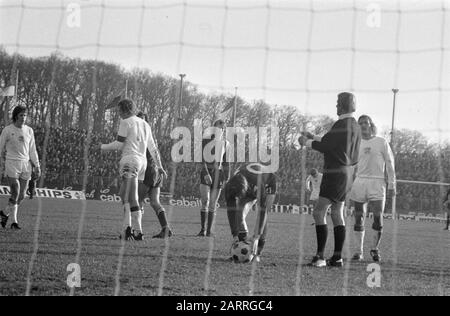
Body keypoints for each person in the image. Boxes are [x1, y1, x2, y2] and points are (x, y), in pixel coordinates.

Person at [298, 92, 361, 267]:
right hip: (348, 174)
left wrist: (306, 142)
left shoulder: (341, 124)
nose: (335, 106)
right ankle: (337, 257)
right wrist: (313, 137)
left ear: (342, 105)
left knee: (319, 212)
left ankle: (320, 257)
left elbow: (327, 145)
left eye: (337, 103)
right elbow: (333, 142)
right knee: (337, 213)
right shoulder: (355, 126)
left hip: (334, 173)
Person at [100, 99, 165, 241]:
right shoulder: (145, 124)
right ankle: (127, 229)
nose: (118, 114)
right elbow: (153, 148)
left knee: (132, 197)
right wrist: (159, 166)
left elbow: (118, 144)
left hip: (130, 160)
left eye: (119, 111)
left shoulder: (126, 122)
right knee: (123, 195)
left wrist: (102, 147)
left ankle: (138, 232)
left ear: (124, 110)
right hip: (143, 162)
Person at [348, 115, 396, 262]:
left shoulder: (381, 142)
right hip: (360, 182)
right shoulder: (355, 144)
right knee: (359, 217)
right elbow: (351, 167)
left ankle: (374, 249)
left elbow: (390, 163)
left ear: (371, 125)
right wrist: (349, 185)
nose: (363, 125)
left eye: (365, 123)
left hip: (377, 182)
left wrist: (392, 185)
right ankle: (358, 251)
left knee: (378, 217)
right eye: (360, 123)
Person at [224, 163, 277, 262]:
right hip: (248, 185)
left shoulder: (258, 183)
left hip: (268, 181)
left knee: (264, 216)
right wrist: (234, 234)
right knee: (238, 211)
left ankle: (257, 252)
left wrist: (256, 237)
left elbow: (263, 210)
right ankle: (242, 247)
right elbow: (231, 212)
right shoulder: (229, 187)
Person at [0, 106, 41, 230]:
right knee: (16, 191)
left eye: (25, 115)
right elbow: (0, 147)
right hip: (12, 163)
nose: (23, 118)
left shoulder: (29, 130)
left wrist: (37, 166)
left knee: (21, 195)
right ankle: (14, 222)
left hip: (26, 164)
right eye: (21, 115)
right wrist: (2, 163)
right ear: (16, 116)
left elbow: (32, 150)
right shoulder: (7, 130)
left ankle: (4, 213)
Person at [136, 111, 171, 239]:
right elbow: (156, 152)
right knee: (155, 202)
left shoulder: (139, 136)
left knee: (137, 201)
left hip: (147, 171)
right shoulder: (151, 135)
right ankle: (166, 228)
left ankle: (137, 231)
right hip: (156, 171)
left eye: (142, 120)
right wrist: (160, 168)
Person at [197, 119, 230, 237]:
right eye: (219, 128)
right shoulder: (205, 140)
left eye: (223, 128)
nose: (221, 130)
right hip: (206, 171)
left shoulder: (226, 143)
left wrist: (227, 178)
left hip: (219, 173)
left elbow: (226, 162)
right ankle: (203, 230)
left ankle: (209, 231)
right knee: (205, 201)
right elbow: (201, 158)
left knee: (212, 203)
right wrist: (205, 173)